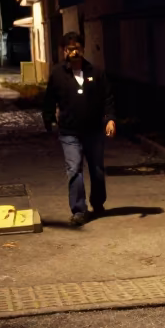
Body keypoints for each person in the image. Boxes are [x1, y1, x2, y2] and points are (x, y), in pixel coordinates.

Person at [43, 32, 116, 226]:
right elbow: (49, 99)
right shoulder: (58, 74)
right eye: (70, 49)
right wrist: (48, 119)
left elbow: (107, 98)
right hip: (69, 132)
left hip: (93, 130)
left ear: (83, 49)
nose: (74, 52)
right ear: (64, 51)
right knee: (74, 168)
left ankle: (98, 203)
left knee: (97, 169)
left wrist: (110, 119)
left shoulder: (96, 72)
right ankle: (78, 210)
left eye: (77, 48)